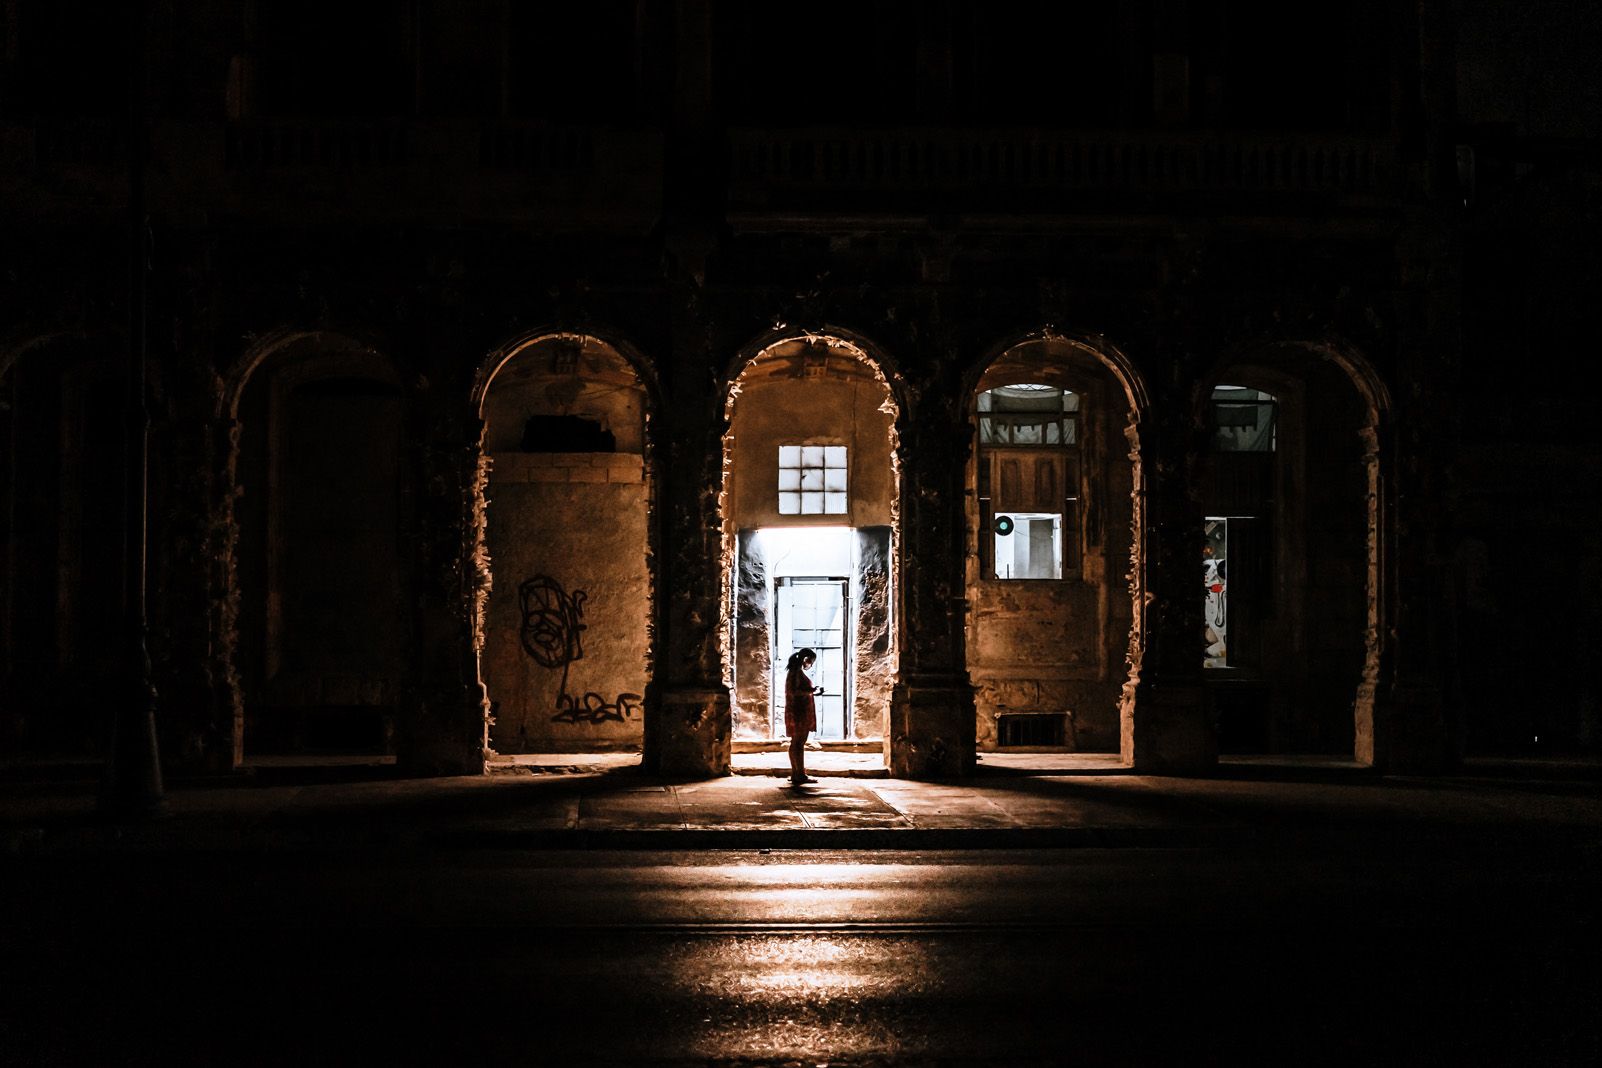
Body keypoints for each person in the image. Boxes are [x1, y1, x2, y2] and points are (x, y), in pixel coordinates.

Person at [784, 647, 823, 786]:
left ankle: (796, 773)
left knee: (795, 742)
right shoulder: (796, 672)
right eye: (811, 662)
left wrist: (812, 692)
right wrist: (812, 690)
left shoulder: (794, 671)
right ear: (806, 660)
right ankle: (799, 774)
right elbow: (795, 691)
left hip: (797, 710)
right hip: (799, 711)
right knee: (799, 743)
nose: (810, 665)